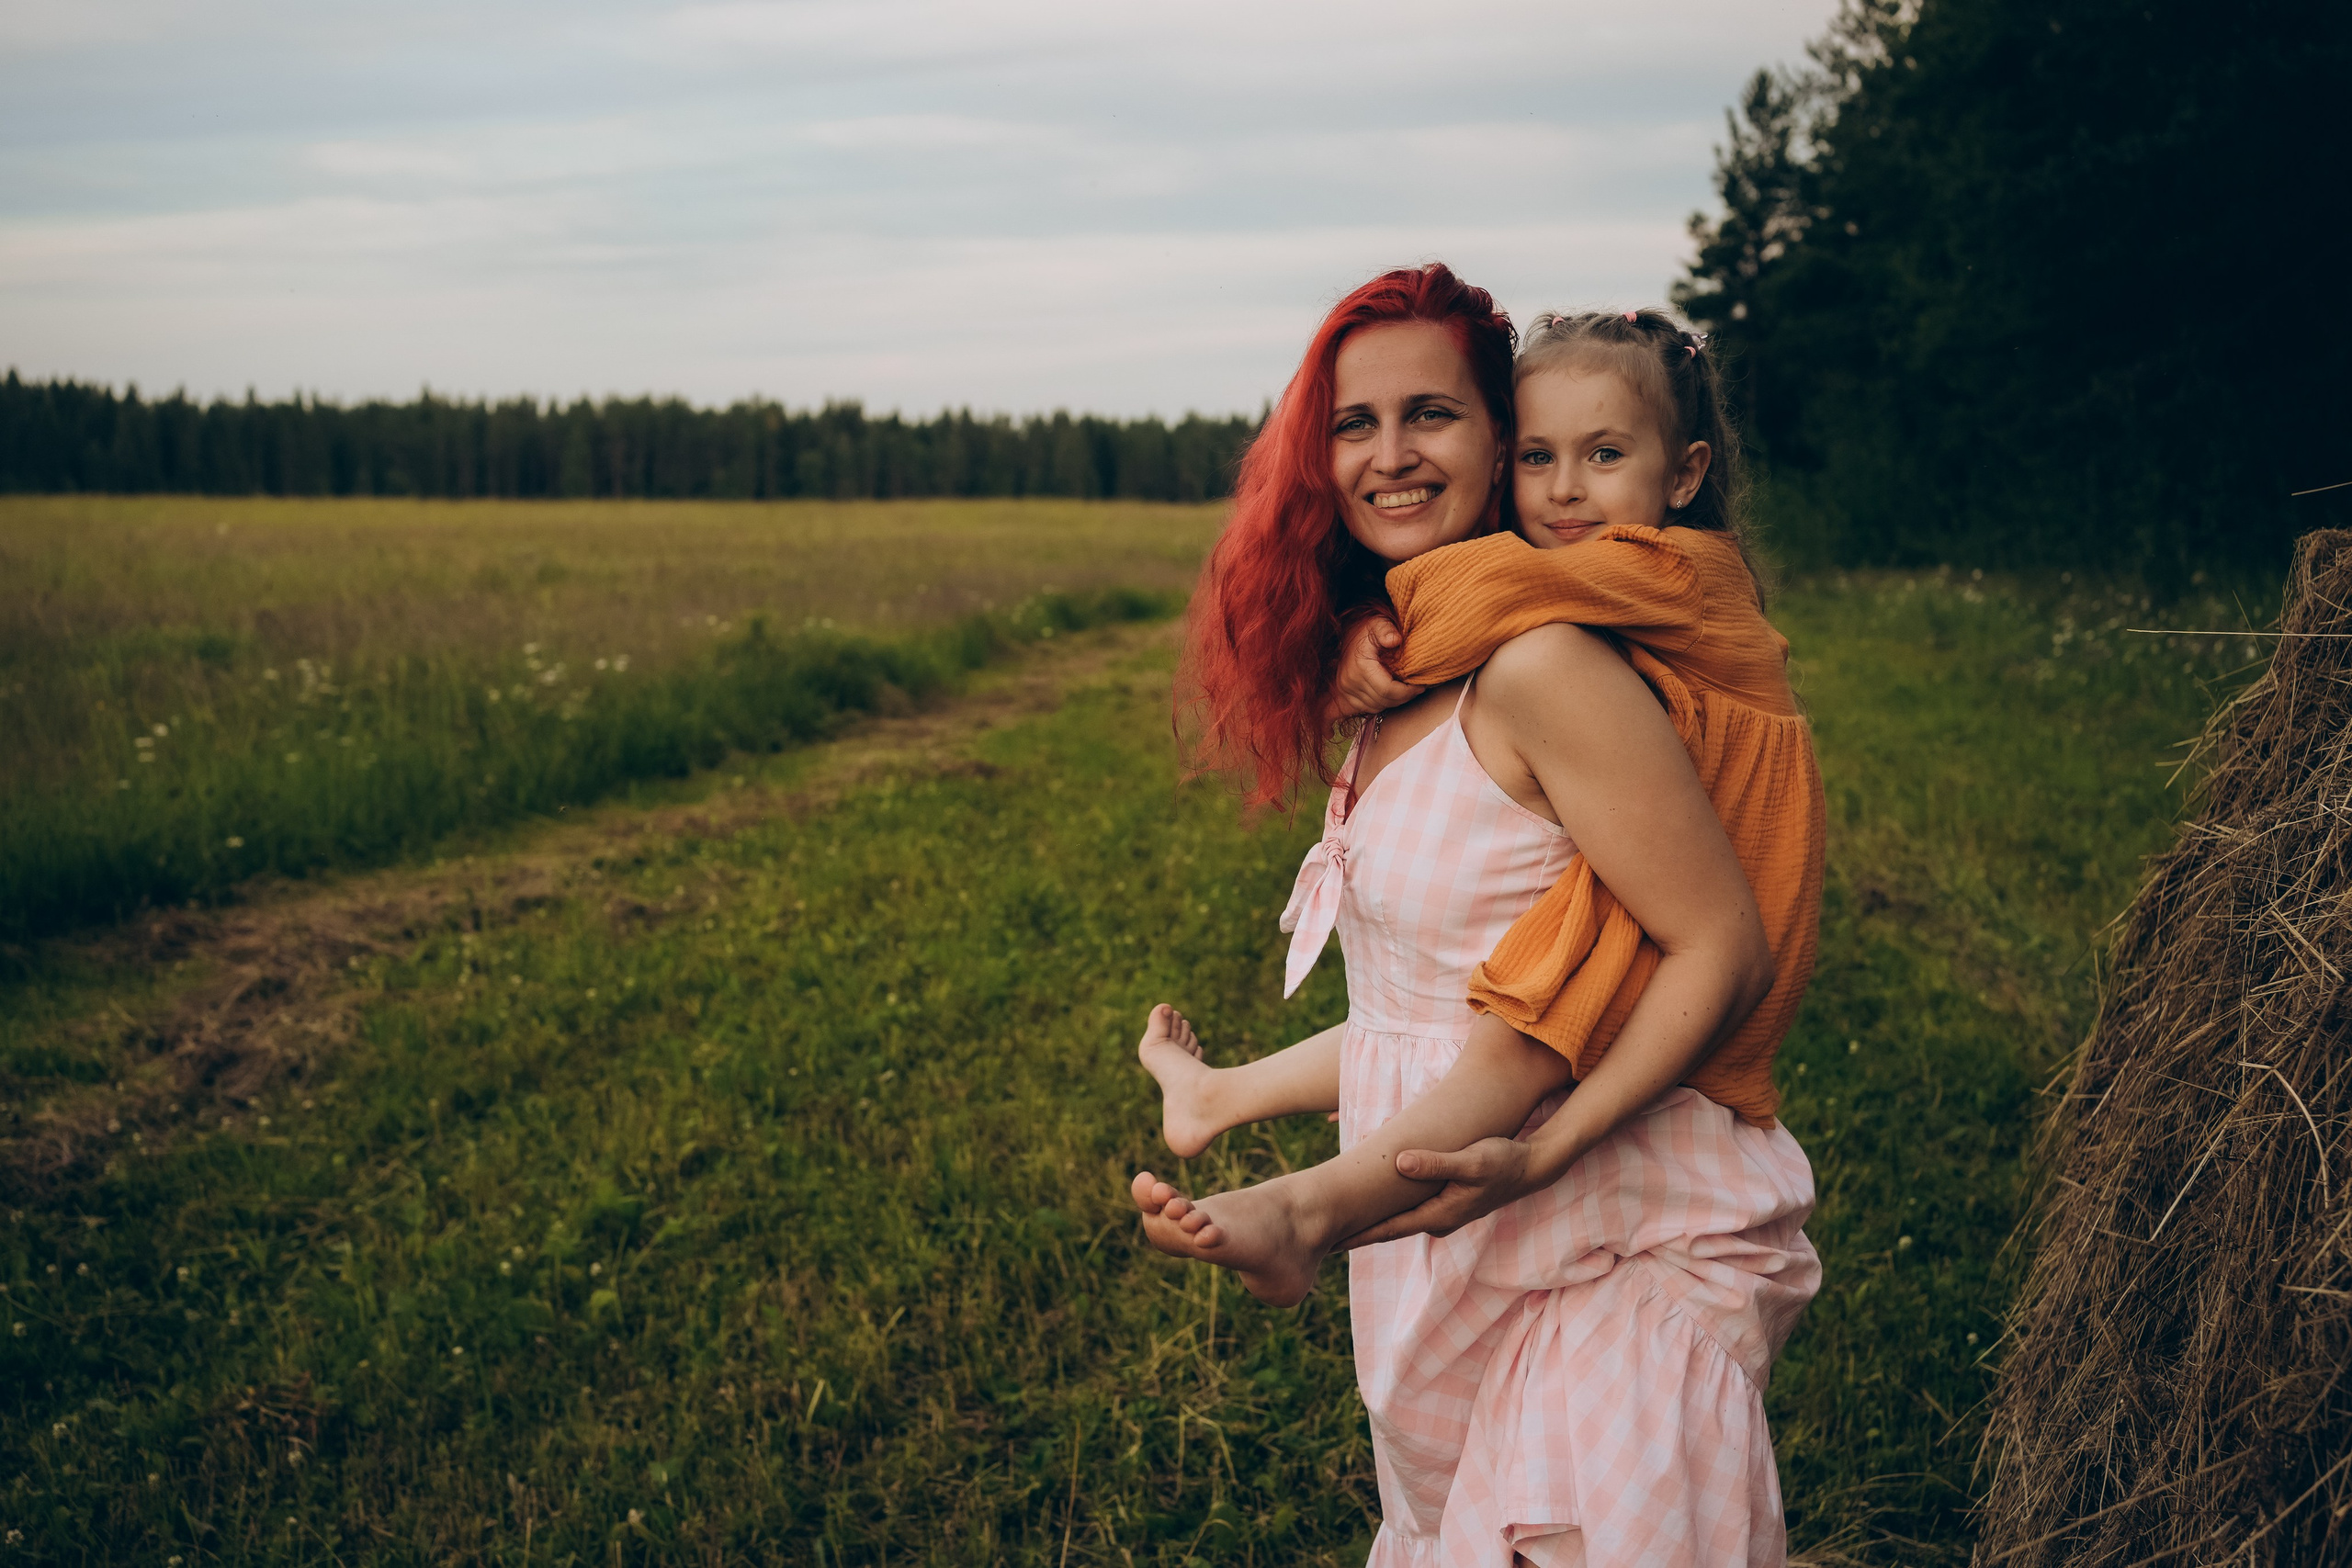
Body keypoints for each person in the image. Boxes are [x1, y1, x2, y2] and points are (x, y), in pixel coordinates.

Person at [1132, 274, 1822, 1564]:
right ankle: (1263, 1151)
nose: (1391, 454)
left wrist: (1548, 1155)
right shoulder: (1412, 678)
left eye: (1432, 414)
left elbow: (1718, 943)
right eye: (1354, 423)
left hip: (1602, 1234)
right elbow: (1425, 1014)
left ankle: (1305, 1211)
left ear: (1495, 439)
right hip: (1449, 1227)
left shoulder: (1543, 661)